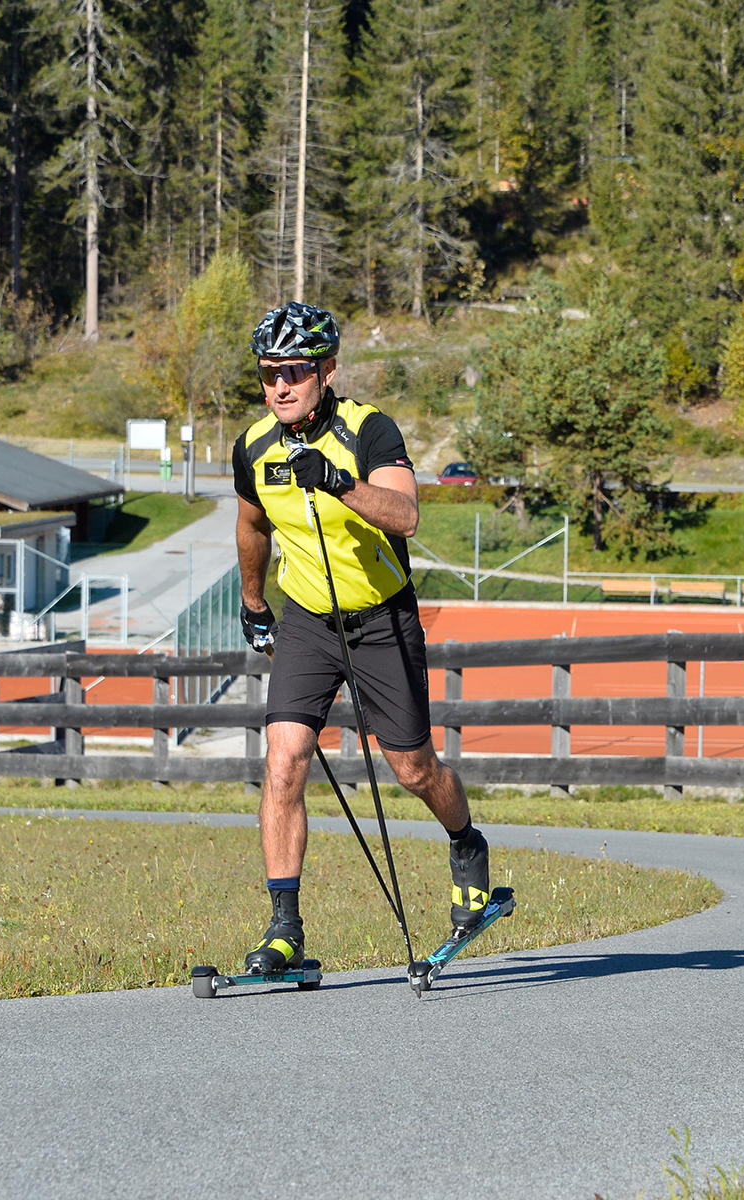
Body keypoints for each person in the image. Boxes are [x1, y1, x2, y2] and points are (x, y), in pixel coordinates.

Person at [230, 301, 489, 974]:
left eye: (294, 371)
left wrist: (340, 483)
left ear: (327, 370)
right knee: (284, 760)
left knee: (412, 770)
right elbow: (252, 526)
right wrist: (254, 601)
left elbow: (405, 515)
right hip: (308, 622)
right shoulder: (254, 446)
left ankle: (465, 841)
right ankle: (284, 928)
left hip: (380, 620)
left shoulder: (367, 431)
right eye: (267, 374)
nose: (279, 386)